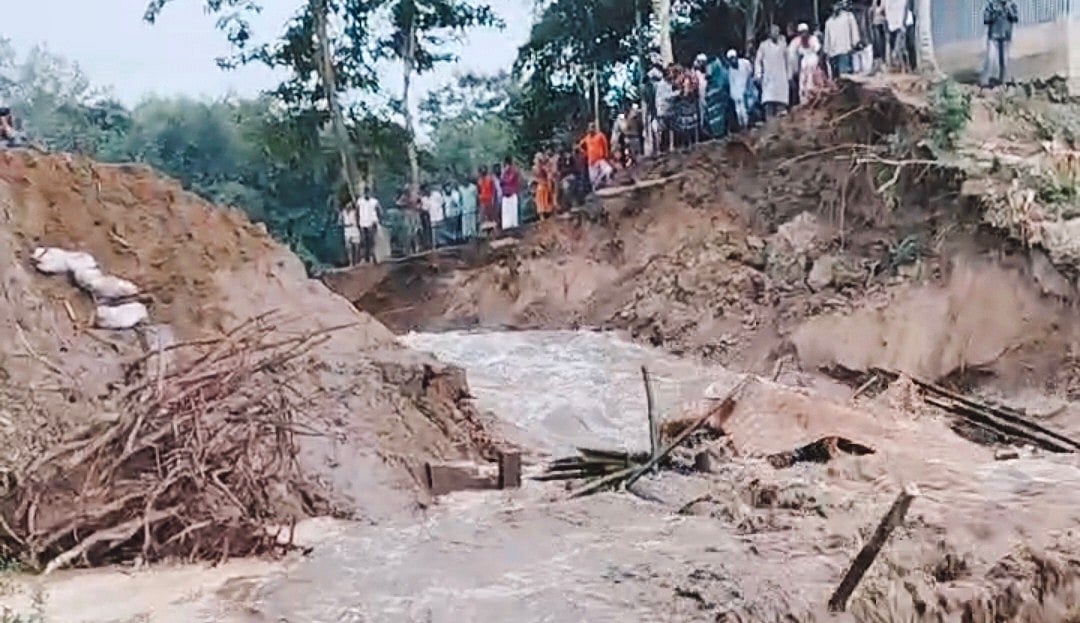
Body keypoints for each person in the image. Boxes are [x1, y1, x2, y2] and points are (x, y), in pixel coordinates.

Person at [755, 25, 791, 119]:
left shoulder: (783, 45)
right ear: (769, 34)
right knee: (769, 104)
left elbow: (788, 61)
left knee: (781, 107)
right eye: (773, 32)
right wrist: (758, 75)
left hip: (781, 79)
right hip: (768, 80)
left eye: (777, 32)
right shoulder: (763, 46)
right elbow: (758, 61)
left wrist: (789, 75)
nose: (775, 34)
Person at [981, 0, 1019, 87]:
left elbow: (1015, 18)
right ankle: (984, 81)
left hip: (1006, 37)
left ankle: (1002, 81)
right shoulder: (991, 5)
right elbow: (986, 20)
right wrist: (995, 13)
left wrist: (1008, 9)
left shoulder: (1012, 5)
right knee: (990, 59)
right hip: (993, 37)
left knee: (1004, 61)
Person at [824, 1, 862, 79]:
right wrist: (827, 51)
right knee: (836, 80)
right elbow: (827, 39)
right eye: (833, 5)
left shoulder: (848, 16)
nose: (835, 6)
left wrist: (854, 44)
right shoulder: (829, 22)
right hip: (833, 54)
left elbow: (854, 31)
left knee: (845, 78)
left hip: (845, 51)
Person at [790, 23, 823, 104]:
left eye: (804, 32)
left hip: (814, 64)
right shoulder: (796, 41)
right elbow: (791, 54)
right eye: (801, 32)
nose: (803, 34)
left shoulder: (813, 39)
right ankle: (804, 102)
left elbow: (819, 50)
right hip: (804, 66)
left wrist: (820, 63)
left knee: (815, 83)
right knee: (803, 85)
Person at [578, 123, 612, 190]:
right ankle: (595, 190)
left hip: (600, 159)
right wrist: (584, 152)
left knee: (608, 170)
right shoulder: (587, 138)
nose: (591, 129)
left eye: (593, 127)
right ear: (588, 129)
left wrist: (606, 155)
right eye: (590, 128)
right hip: (591, 161)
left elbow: (605, 146)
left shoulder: (600, 136)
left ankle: (603, 182)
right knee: (593, 179)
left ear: (595, 128)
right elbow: (580, 145)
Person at [703, 56, 731, 139]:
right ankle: (717, 133)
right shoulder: (715, 66)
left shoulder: (716, 66)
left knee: (721, 116)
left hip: (719, 95)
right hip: (713, 96)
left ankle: (721, 133)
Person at [725, 50, 753, 131]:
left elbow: (750, 75)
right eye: (730, 59)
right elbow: (732, 84)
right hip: (738, 95)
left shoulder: (745, 63)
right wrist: (734, 97)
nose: (732, 60)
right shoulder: (730, 70)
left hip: (748, 91)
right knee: (740, 113)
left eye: (733, 58)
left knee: (750, 109)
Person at [651, 67, 676, 153]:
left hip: (669, 110)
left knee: (669, 130)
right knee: (664, 131)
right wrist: (677, 94)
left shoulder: (668, 84)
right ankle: (663, 149)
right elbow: (666, 97)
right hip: (663, 111)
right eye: (670, 73)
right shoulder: (662, 85)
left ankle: (669, 148)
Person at [356, 188, 380, 264]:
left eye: (368, 193)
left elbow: (379, 210)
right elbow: (357, 212)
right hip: (363, 223)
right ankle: (366, 258)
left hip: (372, 223)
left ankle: (373, 256)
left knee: (372, 241)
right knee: (364, 241)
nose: (367, 194)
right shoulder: (360, 202)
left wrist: (377, 220)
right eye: (365, 193)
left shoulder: (374, 201)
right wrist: (357, 223)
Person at [532, 152, 556, 221]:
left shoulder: (538, 168)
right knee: (545, 201)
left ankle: (543, 217)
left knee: (542, 202)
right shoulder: (542, 168)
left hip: (542, 186)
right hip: (543, 186)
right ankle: (545, 216)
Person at [500, 156, 521, 231]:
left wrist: (505, 172)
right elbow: (501, 182)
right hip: (505, 195)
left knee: (513, 213)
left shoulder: (514, 171)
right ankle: (506, 228)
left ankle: (514, 228)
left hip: (512, 194)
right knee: (506, 213)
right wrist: (503, 173)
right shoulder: (504, 172)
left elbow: (509, 180)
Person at [340, 196, 361, 266]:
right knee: (349, 248)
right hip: (347, 229)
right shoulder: (343, 212)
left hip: (354, 228)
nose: (349, 205)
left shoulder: (354, 212)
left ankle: (357, 261)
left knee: (356, 246)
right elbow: (340, 221)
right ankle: (351, 262)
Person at [477, 166, 497, 236]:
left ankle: (493, 233)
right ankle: (483, 234)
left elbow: (493, 190)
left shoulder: (490, 179)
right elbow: (479, 191)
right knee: (483, 218)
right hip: (482, 201)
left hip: (489, 200)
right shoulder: (479, 181)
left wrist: (492, 199)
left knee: (491, 217)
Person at [692, 54, 709, 136]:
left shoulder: (707, 72)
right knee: (701, 114)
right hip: (699, 96)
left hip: (707, 95)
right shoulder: (695, 73)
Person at [425, 184, 445, 248]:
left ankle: (442, 243)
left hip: (439, 215)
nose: (427, 190)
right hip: (432, 217)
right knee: (434, 232)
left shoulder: (436, 194)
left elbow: (442, 202)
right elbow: (426, 208)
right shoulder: (425, 198)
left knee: (441, 230)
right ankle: (435, 244)